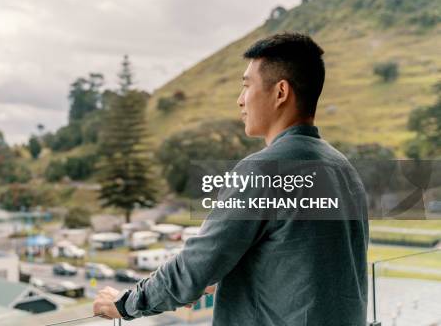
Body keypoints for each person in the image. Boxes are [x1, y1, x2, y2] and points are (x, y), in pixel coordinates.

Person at [93, 32, 369, 325]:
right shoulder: (344, 170)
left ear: (280, 92)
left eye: (247, 86)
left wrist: (124, 304)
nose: (240, 100)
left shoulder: (263, 172)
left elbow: (195, 268)